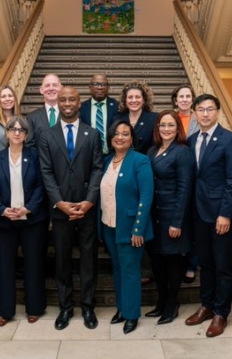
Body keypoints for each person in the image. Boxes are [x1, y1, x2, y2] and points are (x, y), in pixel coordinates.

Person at [38, 86, 103, 331]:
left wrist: (89, 200)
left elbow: (97, 169)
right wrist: (59, 202)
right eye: (63, 99)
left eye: (72, 99)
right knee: (62, 260)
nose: (67, 103)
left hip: (87, 207)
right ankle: (65, 307)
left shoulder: (92, 134)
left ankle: (88, 307)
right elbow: (46, 171)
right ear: (58, 102)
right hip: (60, 209)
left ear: (79, 102)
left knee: (89, 260)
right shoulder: (47, 135)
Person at [184, 94, 232, 338]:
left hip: (220, 215)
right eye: (200, 109)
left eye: (209, 109)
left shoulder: (229, 140)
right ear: (194, 113)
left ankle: (221, 312)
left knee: (222, 265)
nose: (205, 114)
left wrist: (225, 214)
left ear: (218, 112)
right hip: (198, 213)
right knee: (205, 263)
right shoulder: (191, 140)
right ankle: (206, 305)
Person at [0, 116, 48, 326]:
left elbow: (41, 185)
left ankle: (34, 308)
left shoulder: (35, 156)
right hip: (4, 221)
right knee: (4, 267)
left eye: (21, 130)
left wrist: (28, 208)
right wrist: (1, 209)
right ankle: (5, 311)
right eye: (13, 129)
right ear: (6, 133)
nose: (17, 133)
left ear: (26, 135)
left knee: (34, 265)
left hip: (32, 220)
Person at [99, 120, 153, 334]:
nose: (120, 137)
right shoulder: (106, 161)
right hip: (109, 225)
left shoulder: (140, 160)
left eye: (125, 133)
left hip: (130, 228)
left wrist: (138, 229)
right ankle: (121, 308)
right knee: (117, 268)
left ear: (132, 139)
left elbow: (146, 196)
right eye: (116, 133)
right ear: (110, 138)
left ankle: (131, 314)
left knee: (130, 271)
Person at [145, 110, 194, 325]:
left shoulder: (182, 152)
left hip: (172, 215)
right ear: (157, 128)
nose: (166, 129)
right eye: (162, 125)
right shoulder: (151, 150)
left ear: (177, 128)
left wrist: (177, 222)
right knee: (157, 261)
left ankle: (172, 303)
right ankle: (162, 301)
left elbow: (184, 188)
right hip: (153, 215)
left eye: (170, 125)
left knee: (173, 261)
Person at [171, 84, 199, 283]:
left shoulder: (199, 118)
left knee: (193, 222)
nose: (184, 100)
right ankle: (177, 262)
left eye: (188, 96)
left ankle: (191, 264)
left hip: (196, 175)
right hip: (174, 175)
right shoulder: (169, 118)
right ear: (175, 100)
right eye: (181, 96)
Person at [113, 80, 158, 155]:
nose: (134, 100)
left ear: (144, 100)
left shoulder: (154, 118)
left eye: (137, 97)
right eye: (130, 97)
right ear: (125, 100)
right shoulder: (117, 118)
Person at [79, 74, 119, 155]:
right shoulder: (81, 108)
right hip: (88, 156)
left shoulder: (117, 106)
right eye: (95, 84)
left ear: (108, 87)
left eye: (103, 84)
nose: (99, 87)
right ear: (89, 87)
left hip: (112, 155)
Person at [25, 74, 62, 147]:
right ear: (41, 90)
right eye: (47, 85)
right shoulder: (32, 117)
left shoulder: (71, 115)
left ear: (61, 88)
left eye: (55, 85)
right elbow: (29, 146)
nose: (51, 88)